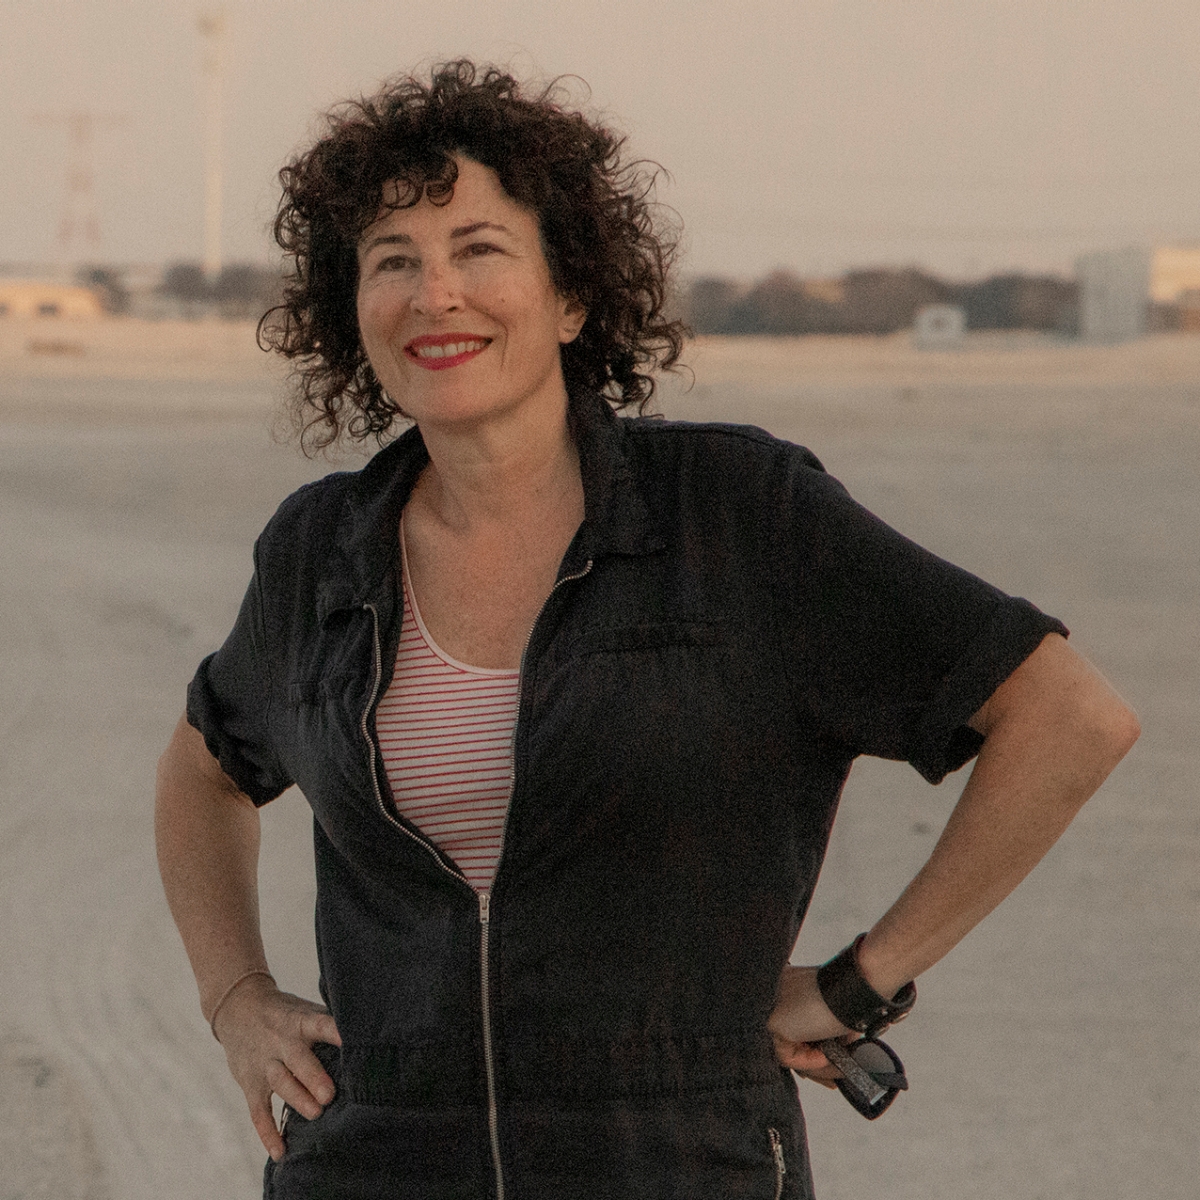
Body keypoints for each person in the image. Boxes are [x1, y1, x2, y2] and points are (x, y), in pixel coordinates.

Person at [154, 60, 1140, 1200]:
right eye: (392, 262)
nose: (435, 295)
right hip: (375, 1161)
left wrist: (862, 984)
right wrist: (236, 998)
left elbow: (1068, 718)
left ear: (572, 295)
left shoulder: (737, 519)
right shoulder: (319, 552)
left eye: (479, 249)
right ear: (352, 311)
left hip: (676, 1161)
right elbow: (202, 770)